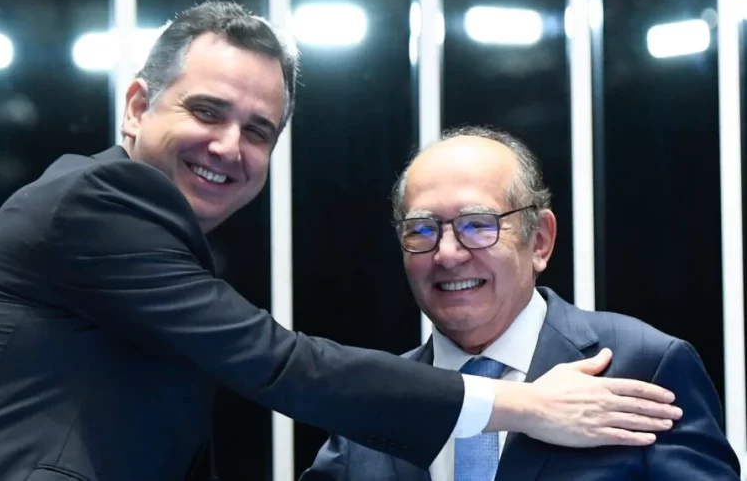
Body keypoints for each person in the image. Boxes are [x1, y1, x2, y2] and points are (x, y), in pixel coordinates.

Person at [0, 2, 681, 481]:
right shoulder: (102, 199)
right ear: (136, 106)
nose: (229, 145)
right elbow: (280, 364)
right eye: (207, 111)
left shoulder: (642, 365)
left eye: (259, 130)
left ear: (540, 239)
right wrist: (524, 406)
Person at [302, 126, 740, 480]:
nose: (447, 254)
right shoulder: (375, 399)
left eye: (478, 225)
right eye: (422, 230)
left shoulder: (643, 366)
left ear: (540, 241)